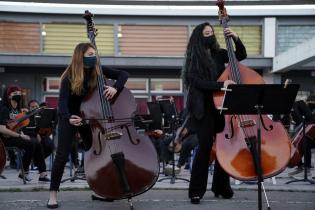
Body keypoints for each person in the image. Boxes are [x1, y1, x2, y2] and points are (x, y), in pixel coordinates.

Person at [47, 42, 129, 209]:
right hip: (69, 117)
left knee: (99, 154)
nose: (94, 57)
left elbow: (124, 74)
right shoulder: (69, 75)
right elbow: (61, 102)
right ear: (80, 56)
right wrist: (68, 117)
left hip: (89, 118)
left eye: (94, 54)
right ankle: (52, 195)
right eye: (90, 54)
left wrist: (115, 88)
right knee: (62, 155)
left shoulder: (97, 70)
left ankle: (103, 190)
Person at [182, 22, 247, 204]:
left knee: (224, 148)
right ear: (198, 36)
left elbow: (241, 56)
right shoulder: (193, 57)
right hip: (204, 108)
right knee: (204, 149)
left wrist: (235, 37)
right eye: (206, 33)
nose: (209, 35)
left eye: (211, 32)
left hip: (222, 106)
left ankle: (221, 187)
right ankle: (196, 191)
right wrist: (221, 85)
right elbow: (196, 81)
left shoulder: (219, 53)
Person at [0, 85, 50, 182]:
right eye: (15, 93)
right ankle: (24, 173)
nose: (18, 95)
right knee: (31, 143)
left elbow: (17, 127)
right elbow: (2, 129)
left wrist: (21, 132)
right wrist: (20, 136)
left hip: (14, 136)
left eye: (19, 93)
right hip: (4, 139)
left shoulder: (18, 110)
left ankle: (43, 174)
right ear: (8, 96)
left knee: (37, 143)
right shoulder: (4, 109)